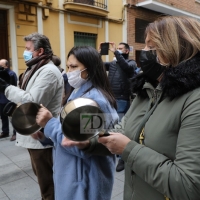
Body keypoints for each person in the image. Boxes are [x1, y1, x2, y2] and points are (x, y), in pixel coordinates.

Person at [98, 15, 200, 200]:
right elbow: (122, 127)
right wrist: (77, 129)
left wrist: (127, 149)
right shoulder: (148, 88)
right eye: (145, 46)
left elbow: (188, 186)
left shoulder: (195, 100)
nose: (144, 53)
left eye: (152, 47)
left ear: (177, 50)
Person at [35, 46, 119, 200]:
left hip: (85, 184)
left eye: (74, 67)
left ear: (90, 69)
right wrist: (43, 134)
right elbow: (66, 131)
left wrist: (49, 124)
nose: (69, 72)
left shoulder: (95, 100)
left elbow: (82, 146)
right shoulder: (77, 91)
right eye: (68, 66)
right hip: (72, 177)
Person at [0, 33, 64, 199]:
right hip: (35, 133)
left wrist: (6, 88)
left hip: (42, 135)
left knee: (48, 184)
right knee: (43, 179)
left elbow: (32, 101)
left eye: (28, 49)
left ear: (40, 51)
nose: (25, 52)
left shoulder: (48, 71)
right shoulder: (36, 68)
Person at [99, 42, 137, 172]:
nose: (117, 51)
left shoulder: (131, 63)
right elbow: (99, 66)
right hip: (110, 98)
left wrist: (115, 52)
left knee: (120, 126)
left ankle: (122, 156)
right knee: (110, 124)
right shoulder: (113, 63)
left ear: (126, 51)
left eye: (120, 49)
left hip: (122, 98)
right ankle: (112, 149)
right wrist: (99, 53)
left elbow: (126, 68)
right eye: (117, 49)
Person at [0, 59, 17, 139]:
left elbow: (13, 86)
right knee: (3, 117)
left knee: (12, 117)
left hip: (9, 99)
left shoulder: (11, 74)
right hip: (1, 99)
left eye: (1, 66)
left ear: (6, 65)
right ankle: (5, 131)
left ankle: (15, 133)